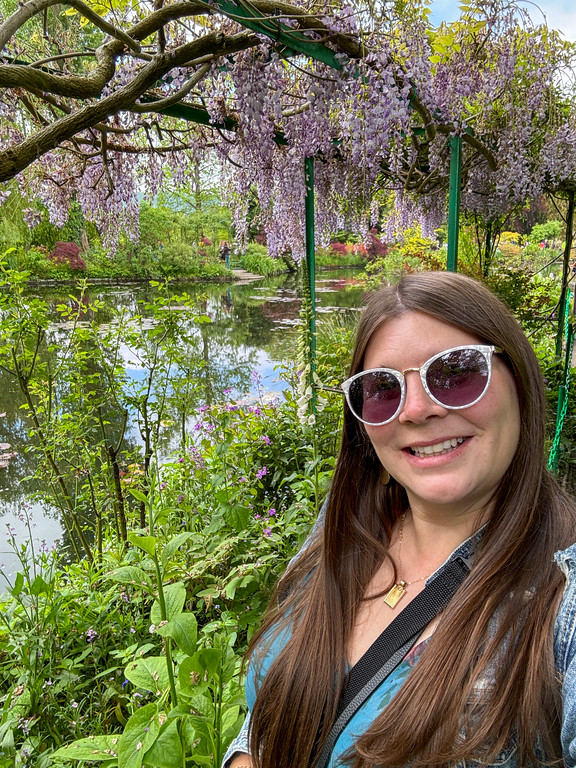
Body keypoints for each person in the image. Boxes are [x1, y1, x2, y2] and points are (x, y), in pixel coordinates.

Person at [223, 270, 576, 768]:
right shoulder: (344, 523)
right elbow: (272, 713)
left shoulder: (563, 599)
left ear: (519, 381)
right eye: (383, 389)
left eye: (456, 373)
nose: (415, 410)